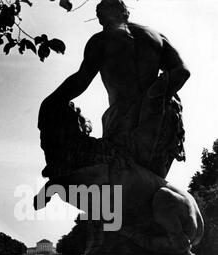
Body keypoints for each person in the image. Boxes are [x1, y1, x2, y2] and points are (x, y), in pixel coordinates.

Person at [39, 0, 190, 178]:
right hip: (162, 121)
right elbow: (182, 72)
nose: (100, 21)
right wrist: (153, 99)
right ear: (125, 13)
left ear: (103, 17)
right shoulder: (156, 37)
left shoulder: (101, 41)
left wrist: (52, 101)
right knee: (148, 182)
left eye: (100, 17)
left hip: (124, 120)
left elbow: (81, 80)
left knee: (111, 177)